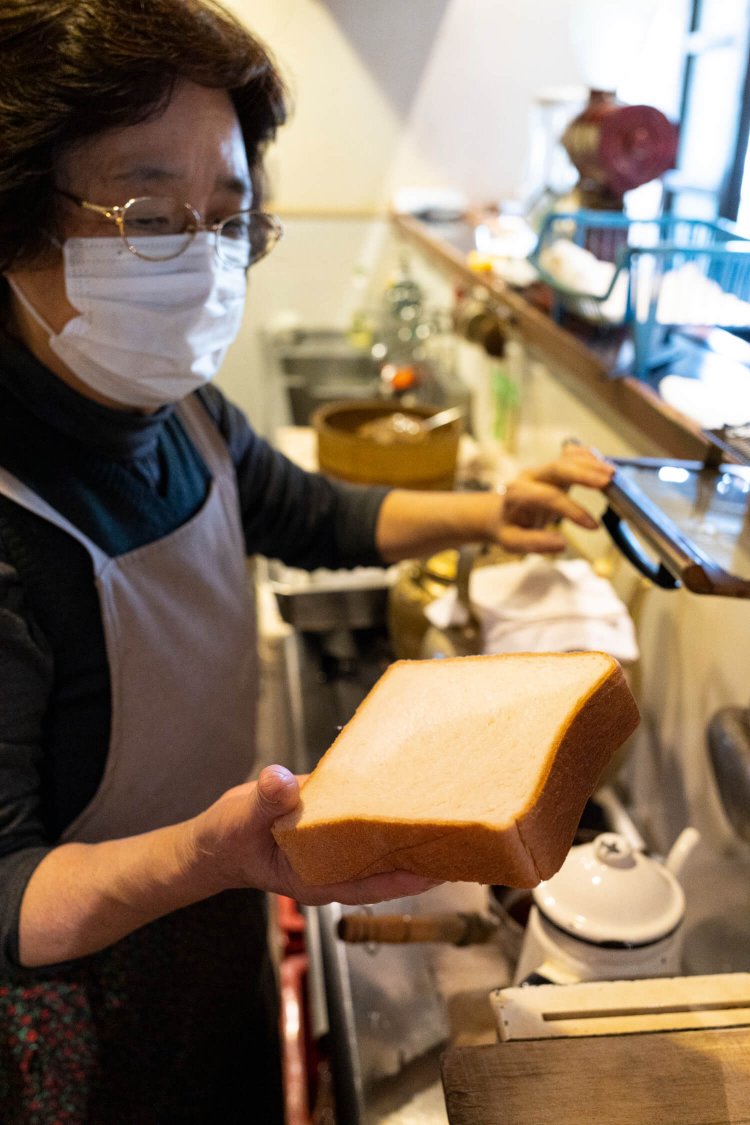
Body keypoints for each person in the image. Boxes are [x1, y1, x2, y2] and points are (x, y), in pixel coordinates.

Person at [0, 1, 614, 1121]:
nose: (197, 255)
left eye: (224, 216)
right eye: (145, 213)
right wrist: (208, 859)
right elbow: (10, 892)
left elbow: (311, 514)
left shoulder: (178, 411)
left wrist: (489, 510)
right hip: (79, 1005)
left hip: (216, 909)